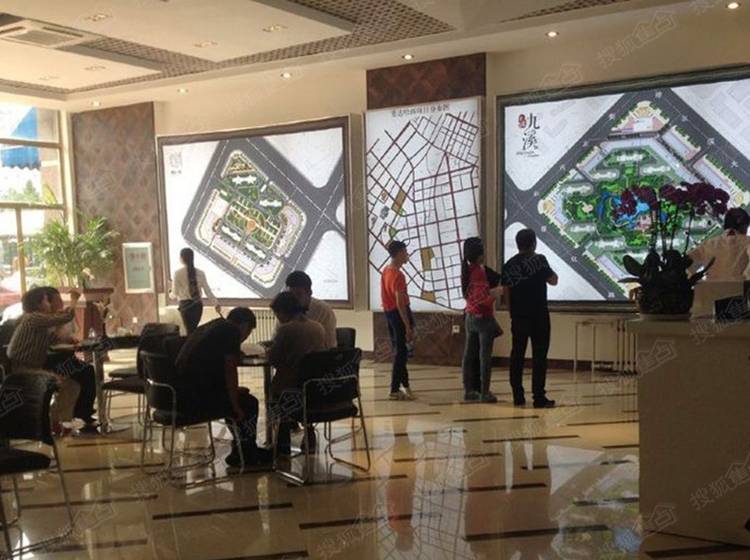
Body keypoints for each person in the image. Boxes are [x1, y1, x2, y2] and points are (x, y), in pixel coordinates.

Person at [174, 307, 271, 467]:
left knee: (238, 397)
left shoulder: (213, 326)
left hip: (182, 392)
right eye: (248, 332)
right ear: (244, 325)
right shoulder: (230, 332)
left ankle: (242, 450)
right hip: (197, 398)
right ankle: (246, 453)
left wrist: (232, 393)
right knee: (248, 403)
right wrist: (234, 403)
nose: (245, 337)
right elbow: (229, 370)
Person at [7, 287, 83, 431]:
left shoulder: (35, 320)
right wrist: (74, 300)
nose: (49, 304)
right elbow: (67, 317)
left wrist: (66, 336)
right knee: (69, 385)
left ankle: (56, 422)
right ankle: (55, 422)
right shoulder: (34, 317)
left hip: (29, 368)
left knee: (70, 385)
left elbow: (52, 339)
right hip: (24, 369)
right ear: (38, 304)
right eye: (47, 301)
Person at [501, 229, 557, 409]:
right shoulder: (539, 260)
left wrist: (511, 312)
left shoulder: (509, 265)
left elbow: (506, 291)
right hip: (539, 316)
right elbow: (553, 280)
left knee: (517, 356)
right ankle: (539, 397)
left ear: (518, 244)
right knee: (539, 357)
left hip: (518, 317)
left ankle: (518, 396)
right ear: (534, 243)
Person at [267, 291, 326, 453]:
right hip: (316, 388)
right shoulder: (318, 327)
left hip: (292, 388)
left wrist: (269, 351)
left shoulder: (286, 330)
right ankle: (308, 431)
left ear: (282, 311)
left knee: (274, 391)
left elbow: (274, 359)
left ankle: (282, 441)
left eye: (277, 314)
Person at [42, 287, 98, 433]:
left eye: (60, 299)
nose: (61, 302)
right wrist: (62, 319)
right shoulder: (46, 320)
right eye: (57, 300)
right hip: (53, 360)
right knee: (87, 372)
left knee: (88, 371)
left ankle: (82, 413)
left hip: (67, 356)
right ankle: (83, 413)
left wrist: (72, 339)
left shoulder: (65, 315)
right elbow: (52, 339)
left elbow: (69, 335)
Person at [460, 237, 502, 403]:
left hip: (469, 317)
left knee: (468, 355)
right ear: (480, 255)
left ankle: (468, 390)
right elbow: (482, 300)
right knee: (485, 357)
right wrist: (496, 293)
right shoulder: (479, 272)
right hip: (483, 318)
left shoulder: (467, 270)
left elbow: (472, 296)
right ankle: (485, 392)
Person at [381, 240, 416, 401]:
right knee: (401, 354)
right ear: (399, 253)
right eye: (405, 252)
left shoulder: (386, 270)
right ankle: (394, 389)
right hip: (399, 314)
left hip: (389, 314)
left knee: (400, 351)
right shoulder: (398, 275)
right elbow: (400, 303)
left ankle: (406, 385)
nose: (407, 255)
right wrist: (407, 326)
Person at [689, 207, 750, 281]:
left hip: (713, 287)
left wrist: (700, 284)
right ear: (743, 224)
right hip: (741, 286)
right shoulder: (747, 242)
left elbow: (686, 265)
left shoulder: (708, 244)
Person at [170, 247, 220, 335]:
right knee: (193, 330)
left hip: (185, 306)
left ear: (181, 258)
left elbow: (175, 293)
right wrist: (216, 304)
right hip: (197, 306)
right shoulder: (201, 273)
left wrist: (170, 293)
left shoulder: (177, 273)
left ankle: (191, 343)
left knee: (189, 331)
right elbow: (208, 291)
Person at [285, 270, 337, 349]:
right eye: (290, 295)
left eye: (298, 294)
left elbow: (329, 346)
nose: (294, 299)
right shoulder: (286, 308)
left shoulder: (324, 311)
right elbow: (277, 339)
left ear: (309, 292)